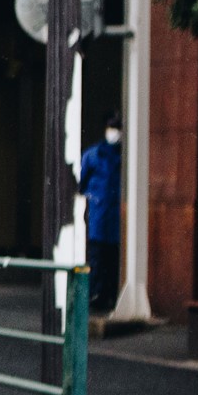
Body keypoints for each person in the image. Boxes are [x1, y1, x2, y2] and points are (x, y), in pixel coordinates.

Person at [78, 113, 123, 315]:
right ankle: (98, 294)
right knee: (98, 256)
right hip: (100, 215)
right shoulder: (95, 155)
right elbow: (81, 184)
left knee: (110, 258)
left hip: (111, 216)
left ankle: (106, 295)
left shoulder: (117, 156)